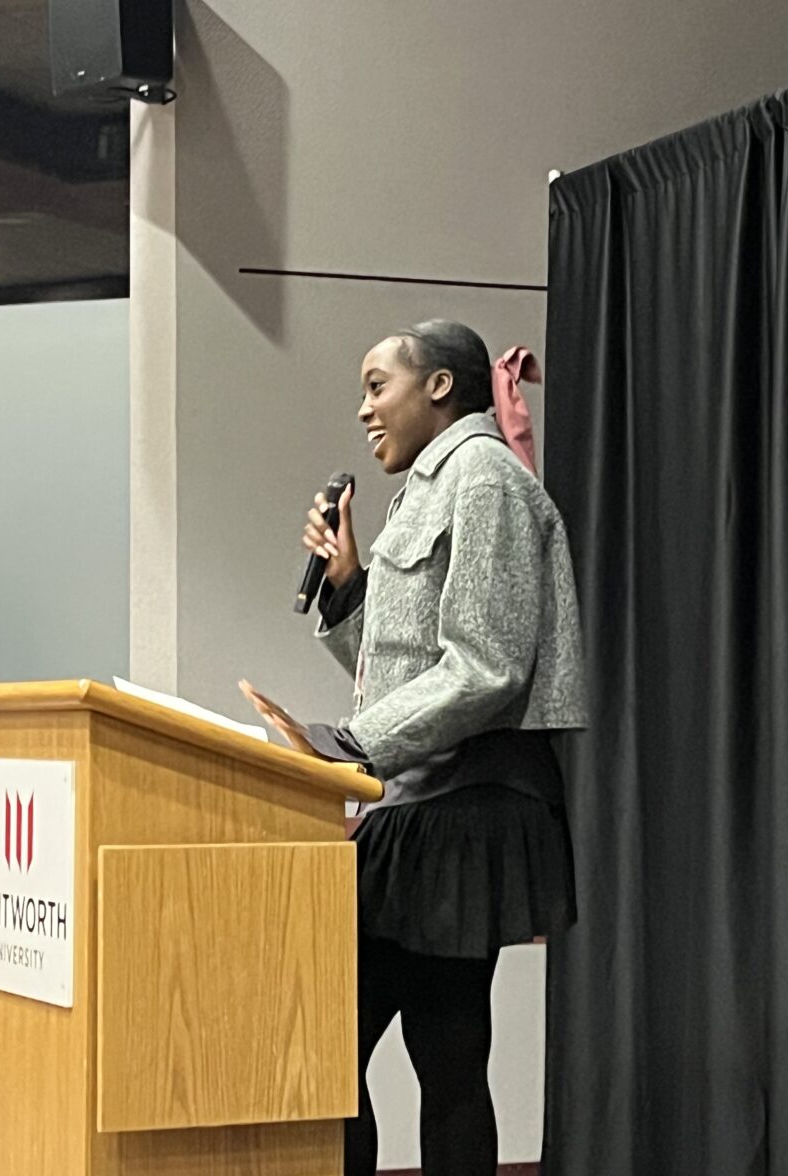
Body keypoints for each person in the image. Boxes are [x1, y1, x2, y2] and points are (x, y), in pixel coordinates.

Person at [240, 319, 585, 1176]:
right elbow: (404, 672)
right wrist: (351, 584)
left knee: (416, 1057)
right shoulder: (430, 488)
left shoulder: (484, 480)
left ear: (438, 387)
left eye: (376, 385)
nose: (364, 409)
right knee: (399, 1053)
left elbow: (488, 669)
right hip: (422, 801)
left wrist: (350, 743)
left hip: (463, 806)